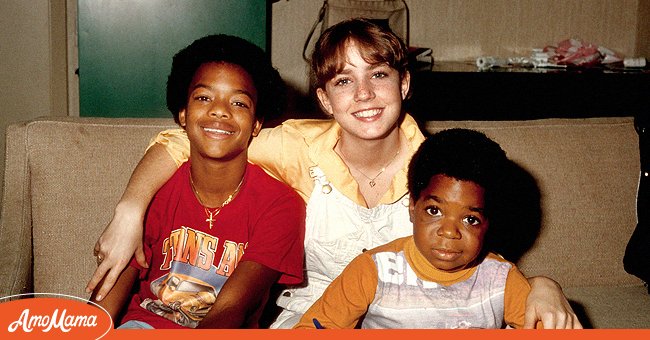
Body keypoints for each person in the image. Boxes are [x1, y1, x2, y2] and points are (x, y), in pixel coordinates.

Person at [87, 18, 582, 329]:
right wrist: (130, 209)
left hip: (412, 319)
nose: (363, 94)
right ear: (324, 99)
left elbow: (461, 238)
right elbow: (192, 138)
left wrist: (540, 283)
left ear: (404, 83)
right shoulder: (298, 145)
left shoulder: (438, 163)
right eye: (344, 80)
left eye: (378, 75)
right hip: (313, 319)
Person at [89, 34, 305, 329]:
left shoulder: (281, 205)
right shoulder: (156, 188)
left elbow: (233, 308)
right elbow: (115, 279)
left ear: (256, 124)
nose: (219, 110)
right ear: (182, 114)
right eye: (204, 97)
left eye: (239, 103)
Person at [295, 128, 546, 329]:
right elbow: (316, 328)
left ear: (490, 222)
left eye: (470, 219)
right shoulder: (373, 270)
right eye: (434, 211)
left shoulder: (501, 278)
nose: (449, 232)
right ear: (413, 207)